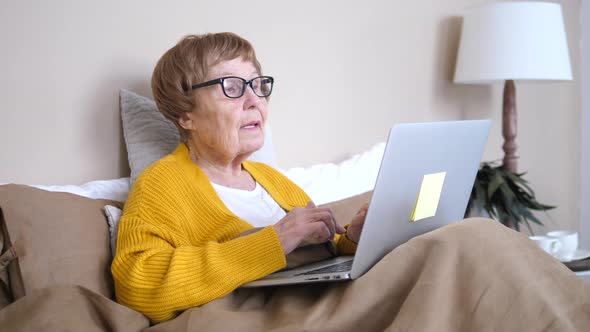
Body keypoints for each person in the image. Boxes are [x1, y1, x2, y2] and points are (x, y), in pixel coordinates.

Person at [112, 32, 590, 330]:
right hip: (264, 316)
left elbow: (319, 251)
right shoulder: (164, 184)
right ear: (184, 114)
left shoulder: (273, 181)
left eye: (259, 85)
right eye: (232, 87)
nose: (255, 100)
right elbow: (139, 287)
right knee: (467, 240)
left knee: (467, 241)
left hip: (324, 296)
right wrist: (273, 241)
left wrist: (350, 241)